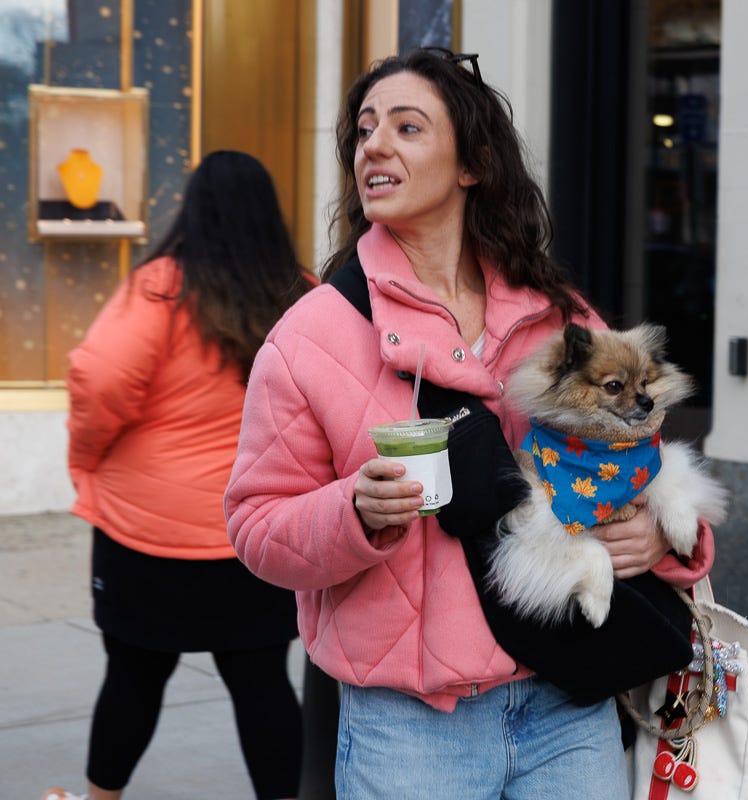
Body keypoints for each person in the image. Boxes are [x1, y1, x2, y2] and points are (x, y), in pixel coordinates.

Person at [224, 47, 715, 798]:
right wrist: (352, 511)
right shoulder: (310, 336)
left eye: (407, 127)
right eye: (363, 130)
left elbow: (636, 451)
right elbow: (257, 528)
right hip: (410, 732)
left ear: (472, 164)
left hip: (568, 700)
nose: (374, 146)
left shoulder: (559, 314)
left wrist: (661, 536)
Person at [45, 151, 313, 800]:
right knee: (262, 683)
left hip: (146, 534)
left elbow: (99, 378)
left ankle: (99, 799)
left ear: (193, 209)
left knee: (133, 676)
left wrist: (88, 456)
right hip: (256, 535)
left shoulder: (160, 287)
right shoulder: (301, 293)